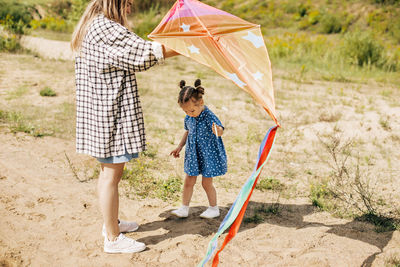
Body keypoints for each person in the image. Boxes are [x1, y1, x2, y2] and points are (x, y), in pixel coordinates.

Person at [70, 0, 179, 254]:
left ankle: (111, 223)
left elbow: (135, 51)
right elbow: (143, 53)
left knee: (110, 174)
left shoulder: (95, 25)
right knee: (110, 176)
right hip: (108, 114)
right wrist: (190, 47)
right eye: (128, 3)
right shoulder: (105, 28)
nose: (130, 8)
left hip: (101, 111)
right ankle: (112, 238)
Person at [170, 79, 227, 219]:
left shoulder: (208, 115)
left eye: (191, 110)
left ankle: (214, 208)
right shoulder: (188, 117)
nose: (189, 113)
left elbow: (220, 130)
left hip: (208, 153)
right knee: (189, 180)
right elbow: (187, 132)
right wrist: (179, 146)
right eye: (185, 111)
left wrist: (218, 130)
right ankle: (184, 208)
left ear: (201, 103)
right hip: (193, 153)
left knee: (206, 182)